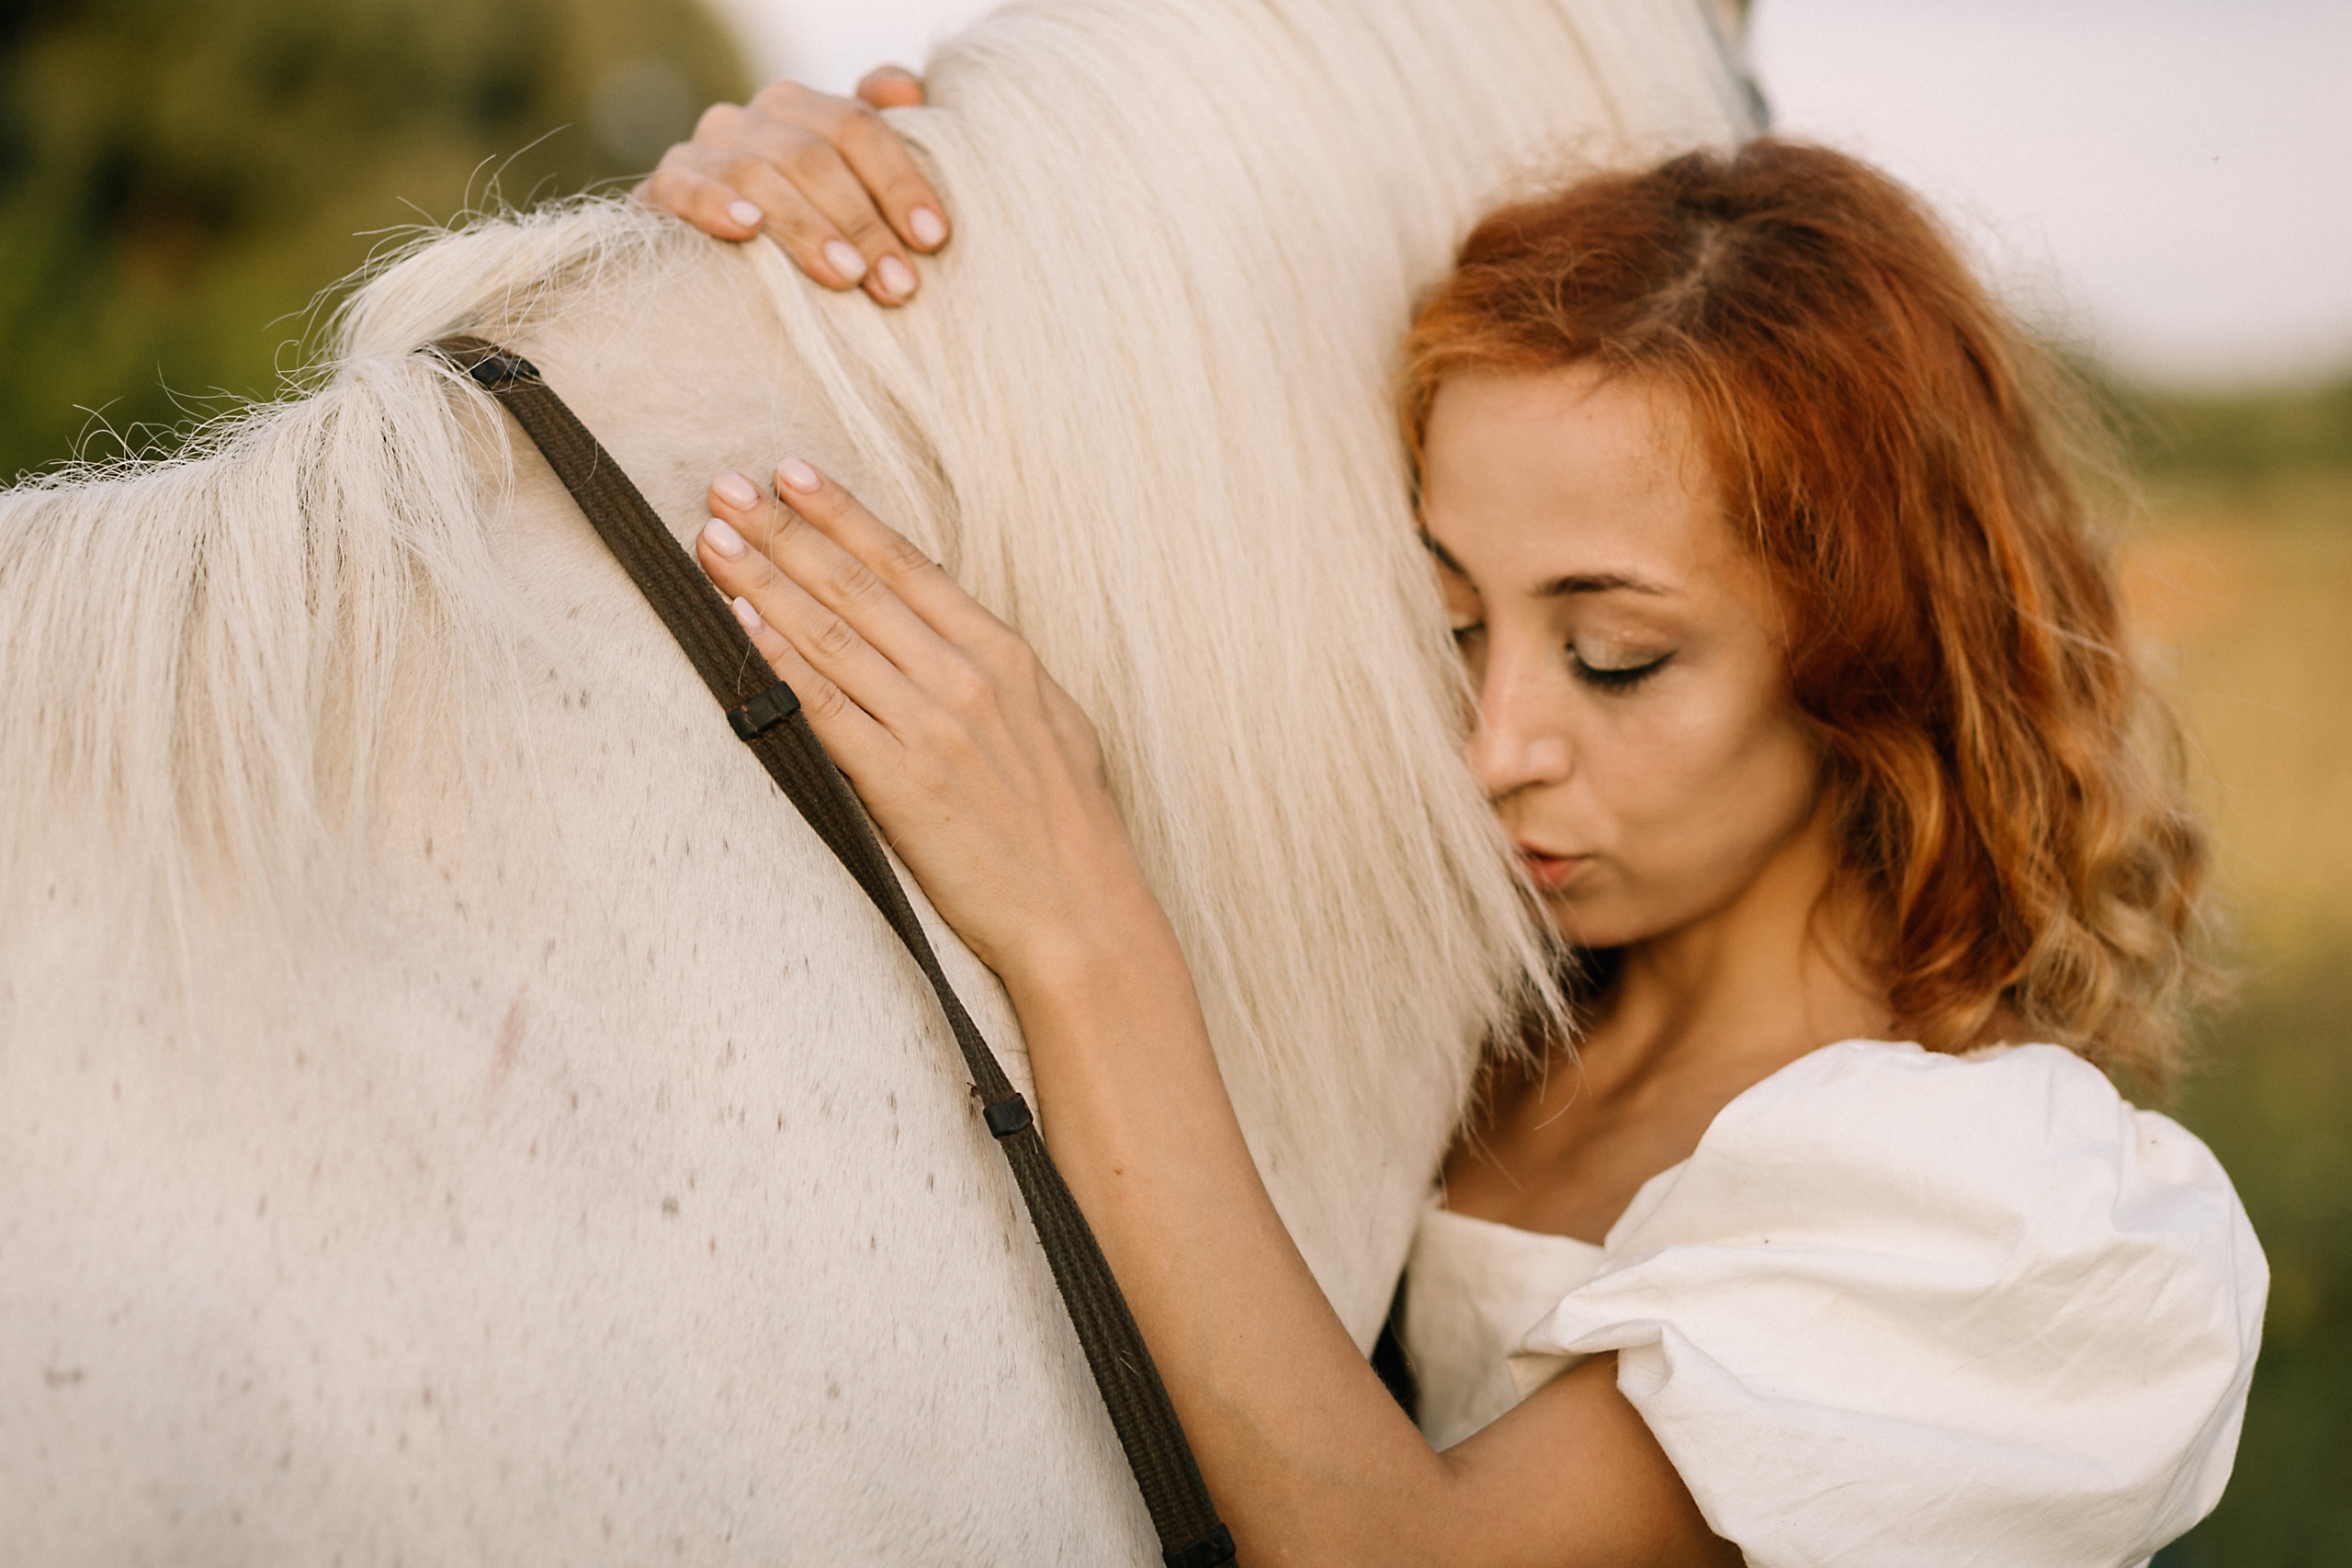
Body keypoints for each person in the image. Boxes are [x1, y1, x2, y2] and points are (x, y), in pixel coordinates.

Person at [639, 75, 2265, 1566]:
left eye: (1615, 656)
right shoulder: (1468, 1024)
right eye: (1455, 627)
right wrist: (814, 241)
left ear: (1879, 656)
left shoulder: (2026, 1229)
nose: (1493, 751)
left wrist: (1080, 929)